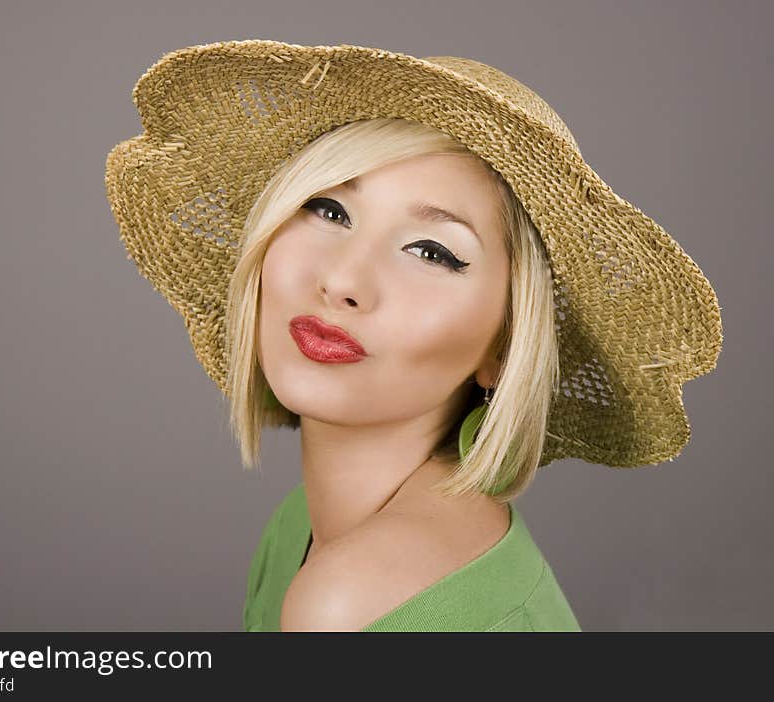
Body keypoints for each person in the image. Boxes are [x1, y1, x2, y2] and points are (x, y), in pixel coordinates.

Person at [104, 40, 723, 632]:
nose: (344, 279)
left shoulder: (352, 599)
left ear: (504, 348)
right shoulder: (296, 533)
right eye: (328, 209)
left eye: (431, 251)